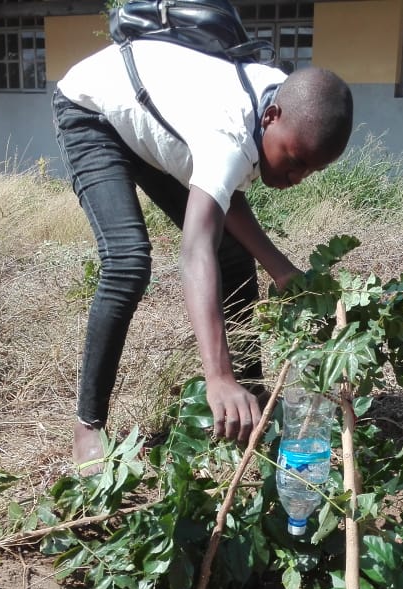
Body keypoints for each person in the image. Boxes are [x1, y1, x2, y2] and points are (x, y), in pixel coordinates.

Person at [53, 33, 354, 473]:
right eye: (294, 160)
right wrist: (217, 377)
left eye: (311, 169)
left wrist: (284, 272)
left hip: (155, 121)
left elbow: (225, 198)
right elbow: (196, 250)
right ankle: (88, 425)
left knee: (235, 256)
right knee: (128, 262)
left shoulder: (281, 104)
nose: (297, 176)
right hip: (95, 112)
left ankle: (250, 399)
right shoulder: (228, 134)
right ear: (270, 118)